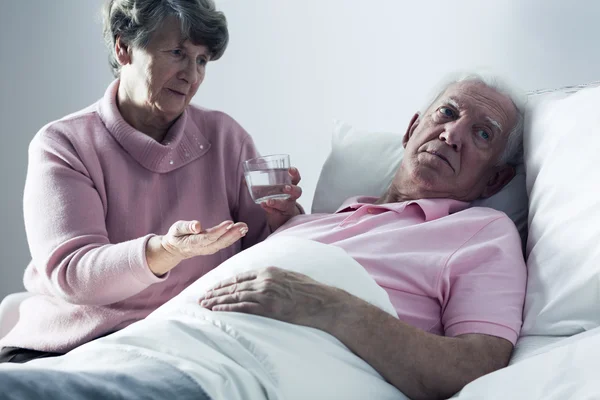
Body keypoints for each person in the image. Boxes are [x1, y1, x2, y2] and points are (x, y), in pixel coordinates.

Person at [0, 0, 302, 363]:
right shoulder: (64, 144)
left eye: (202, 60)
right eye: (177, 52)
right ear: (123, 47)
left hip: (182, 341)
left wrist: (281, 217)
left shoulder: (226, 137)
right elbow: (72, 273)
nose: (191, 74)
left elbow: (263, 259)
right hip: (69, 346)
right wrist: (168, 251)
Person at [198, 74, 527, 399]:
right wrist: (287, 228)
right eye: (447, 113)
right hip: (180, 342)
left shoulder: (483, 232)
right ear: (412, 130)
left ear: (495, 180)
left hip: (239, 378)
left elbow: (480, 368)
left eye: (483, 133)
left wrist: (326, 305)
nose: (452, 134)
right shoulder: (316, 219)